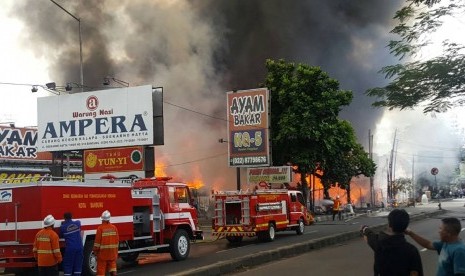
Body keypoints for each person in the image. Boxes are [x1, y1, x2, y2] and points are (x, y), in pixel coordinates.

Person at [361, 209, 423, 276]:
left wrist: (365, 228)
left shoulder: (379, 244)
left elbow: (369, 237)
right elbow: (414, 273)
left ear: (389, 225)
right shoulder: (411, 250)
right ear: (406, 227)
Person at [93, 210, 119, 276]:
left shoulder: (100, 228)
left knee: (101, 271)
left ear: (103, 220)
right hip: (112, 253)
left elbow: (97, 243)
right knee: (113, 268)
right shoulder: (114, 228)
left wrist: (95, 252)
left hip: (103, 254)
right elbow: (117, 240)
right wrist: (115, 252)